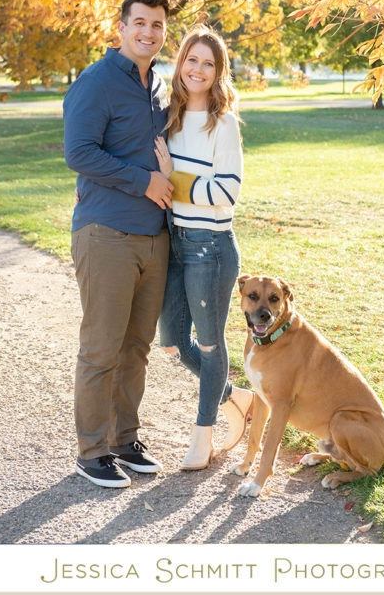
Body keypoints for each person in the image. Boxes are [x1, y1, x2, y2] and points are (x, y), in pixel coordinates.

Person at [63, 0, 175, 488]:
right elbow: (79, 152)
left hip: (155, 237)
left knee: (137, 348)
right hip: (106, 233)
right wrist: (144, 180)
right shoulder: (97, 81)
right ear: (122, 26)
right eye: (140, 23)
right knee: (101, 349)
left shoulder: (158, 86)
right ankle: (92, 452)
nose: (148, 32)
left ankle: (125, 441)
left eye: (157, 25)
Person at [153, 24, 254, 470]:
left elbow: (227, 190)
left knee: (210, 346)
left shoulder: (224, 123)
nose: (198, 69)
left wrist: (173, 177)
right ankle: (237, 398)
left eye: (208, 64)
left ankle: (202, 437)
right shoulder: (169, 115)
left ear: (218, 73)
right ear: (180, 64)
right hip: (174, 244)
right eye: (191, 60)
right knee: (173, 341)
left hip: (210, 248)